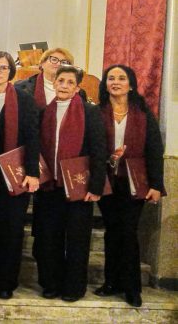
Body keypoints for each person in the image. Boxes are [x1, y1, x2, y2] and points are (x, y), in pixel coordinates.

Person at [32, 65, 106, 302]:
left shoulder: (89, 112)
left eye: (69, 82)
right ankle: (50, 283)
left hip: (77, 186)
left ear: (77, 87)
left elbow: (98, 150)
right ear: (54, 83)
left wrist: (96, 187)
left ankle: (73, 287)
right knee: (48, 238)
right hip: (50, 186)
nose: (63, 85)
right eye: (60, 81)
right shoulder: (44, 112)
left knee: (76, 240)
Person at [95, 65, 165, 308]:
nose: (115, 82)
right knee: (112, 233)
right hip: (107, 182)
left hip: (136, 184)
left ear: (131, 85)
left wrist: (157, 184)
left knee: (128, 233)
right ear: (105, 84)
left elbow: (155, 151)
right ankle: (111, 282)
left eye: (121, 78)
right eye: (111, 78)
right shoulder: (97, 113)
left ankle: (132, 288)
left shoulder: (144, 114)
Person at [0, 51, 40, 300]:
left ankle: (7, 281)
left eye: (3, 68)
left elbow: (33, 138)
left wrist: (33, 173)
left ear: (10, 71)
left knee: (12, 229)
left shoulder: (24, 100)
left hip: (16, 172)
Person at [15, 47, 84, 109]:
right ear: (42, 63)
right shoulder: (21, 87)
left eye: (64, 62)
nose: (58, 64)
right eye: (54, 60)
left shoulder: (79, 93)